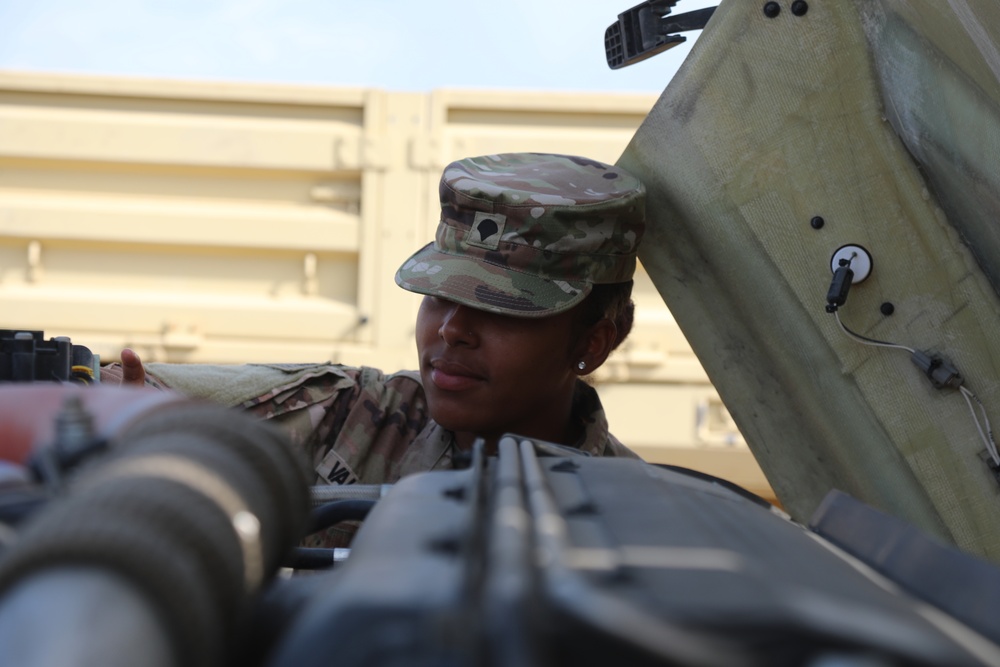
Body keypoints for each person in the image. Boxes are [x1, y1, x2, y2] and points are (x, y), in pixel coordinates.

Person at [104, 152, 646, 545]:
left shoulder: (646, 513)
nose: (451, 330)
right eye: (439, 296)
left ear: (594, 342)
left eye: (503, 308)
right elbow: (141, 396)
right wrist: (124, 416)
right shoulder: (355, 414)